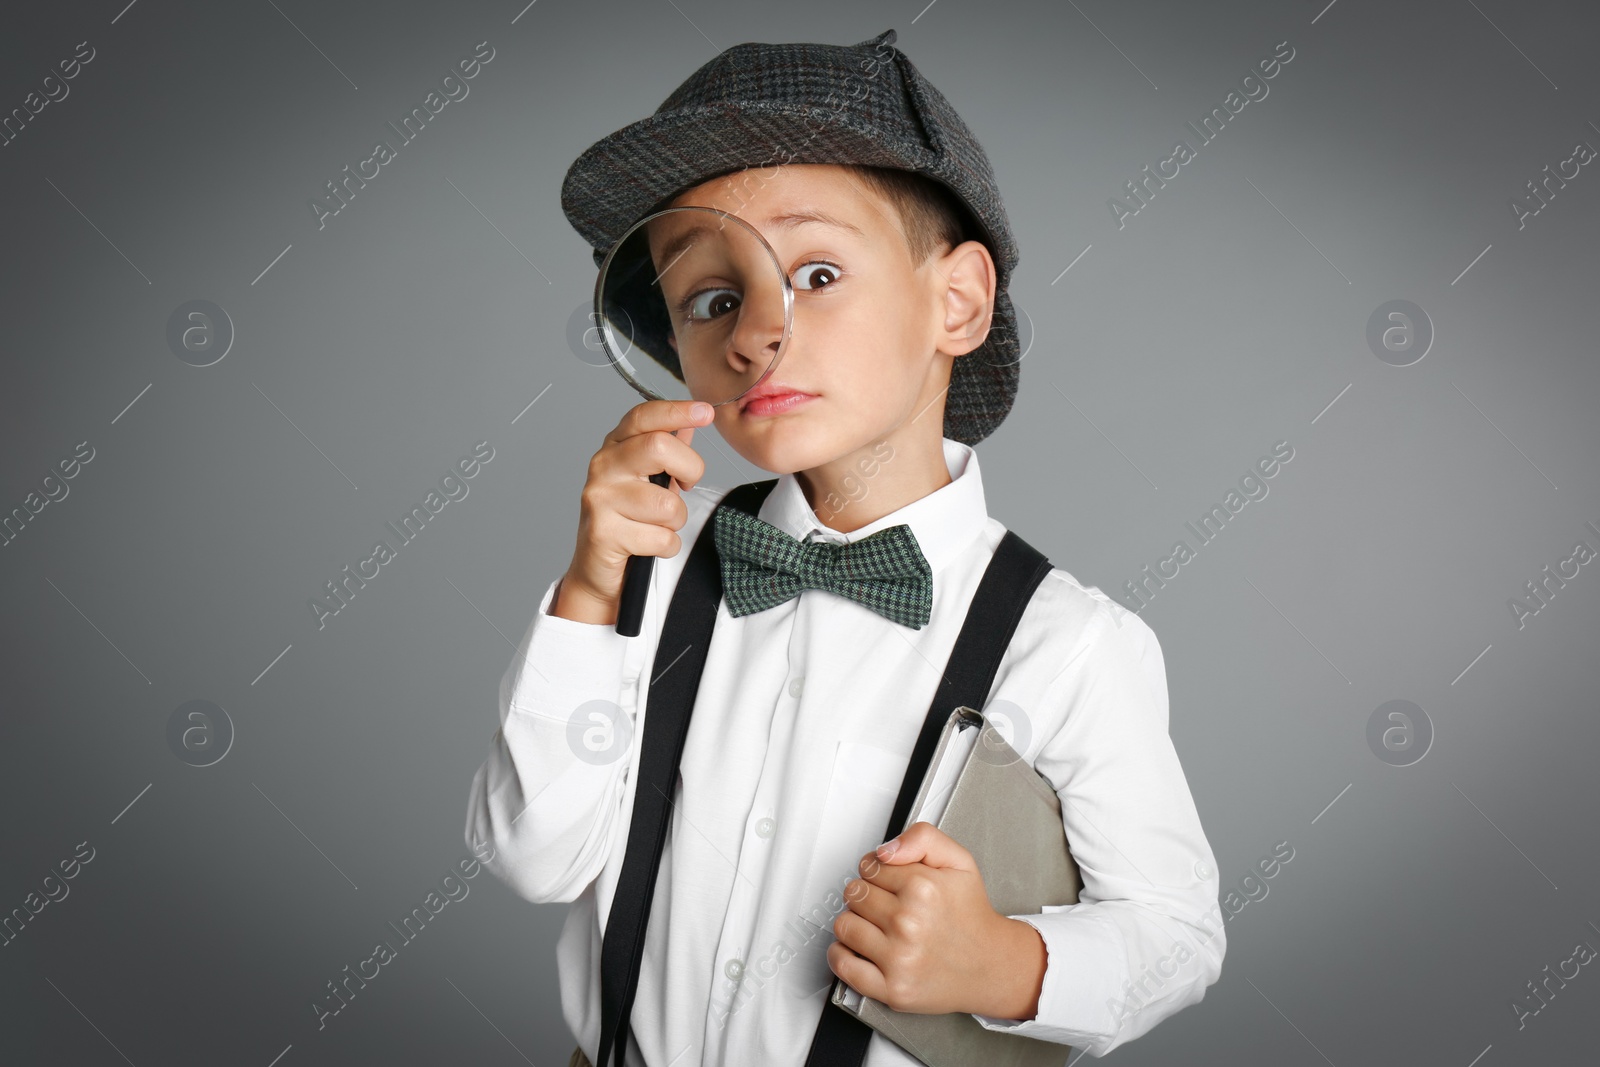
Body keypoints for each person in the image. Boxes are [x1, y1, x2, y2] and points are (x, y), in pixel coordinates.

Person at [464, 28, 1225, 1067]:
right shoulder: (645, 576)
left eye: (816, 271)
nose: (755, 332)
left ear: (955, 301)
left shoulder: (1070, 644)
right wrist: (593, 589)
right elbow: (532, 854)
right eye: (711, 297)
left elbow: (1176, 936)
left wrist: (1002, 961)